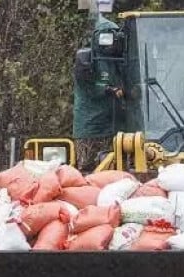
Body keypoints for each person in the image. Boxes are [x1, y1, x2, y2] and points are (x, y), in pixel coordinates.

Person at [72, 16, 125, 173]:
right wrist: (109, 89)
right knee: (88, 168)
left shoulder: (119, 60)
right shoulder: (88, 59)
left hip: (116, 128)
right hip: (91, 127)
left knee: (115, 167)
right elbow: (88, 87)